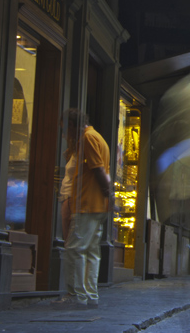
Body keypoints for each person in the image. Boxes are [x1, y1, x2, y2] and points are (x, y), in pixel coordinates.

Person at [58, 108, 111, 308]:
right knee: (91, 251)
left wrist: (109, 193)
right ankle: (90, 294)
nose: (64, 134)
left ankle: (77, 296)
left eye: (65, 129)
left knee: (75, 248)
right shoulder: (97, 137)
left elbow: (98, 169)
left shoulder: (88, 138)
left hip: (87, 203)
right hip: (96, 205)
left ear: (72, 125)